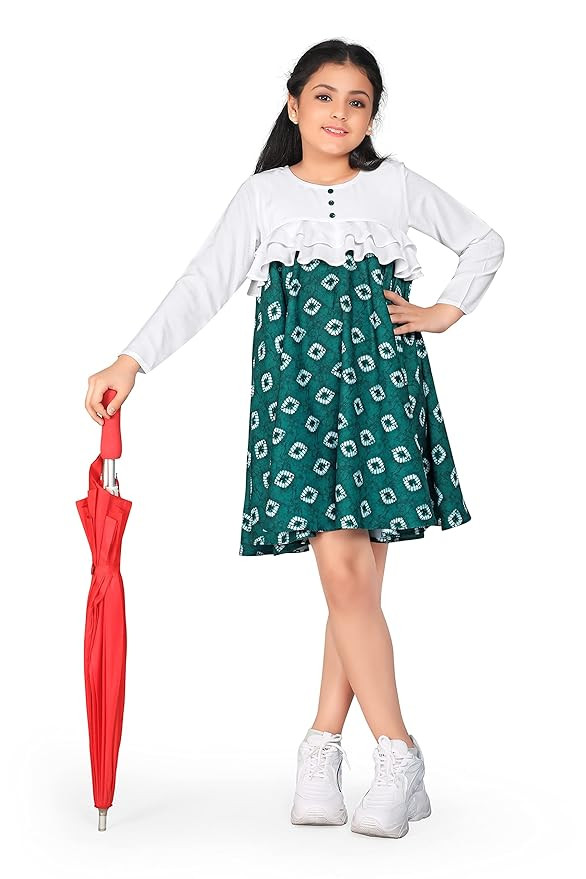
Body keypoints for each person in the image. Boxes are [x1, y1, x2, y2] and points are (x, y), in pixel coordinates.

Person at [85, 39, 504, 839]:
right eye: (324, 96)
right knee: (348, 577)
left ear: (372, 115)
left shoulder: (393, 184)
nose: (340, 113)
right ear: (293, 103)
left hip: (383, 391)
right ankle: (393, 751)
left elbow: (485, 241)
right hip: (299, 402)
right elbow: (203, 283)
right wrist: (131, 359)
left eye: (357, 101)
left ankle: (335, 749)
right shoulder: (264, 195)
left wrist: (445, 310)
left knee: (353, 584)